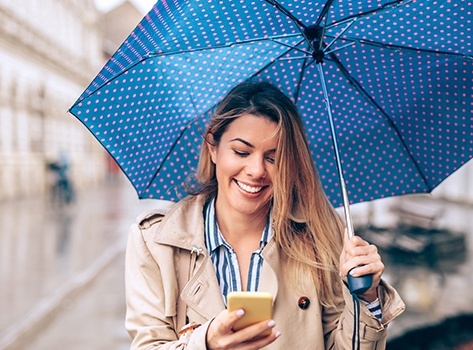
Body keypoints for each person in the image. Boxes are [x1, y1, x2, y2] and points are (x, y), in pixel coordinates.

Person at [125, 81, 405, 349]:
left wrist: (366, 299)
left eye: (273, 157)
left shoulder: (322, 231)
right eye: (241, 151)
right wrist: (207, 342)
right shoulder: (156, 242)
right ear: (213, 147)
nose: (257, 170)